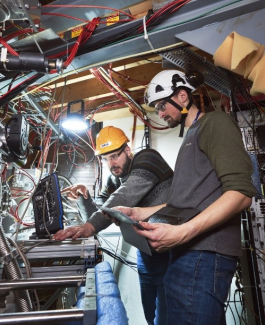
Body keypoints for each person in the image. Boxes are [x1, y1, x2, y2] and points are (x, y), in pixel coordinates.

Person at [116, 69, 256, 324]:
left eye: (161, 106)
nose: (159, 114)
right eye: (156, 109)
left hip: (203, 253)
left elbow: (241, 193)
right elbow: (179, 204)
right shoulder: (191, 137)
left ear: (182, 96)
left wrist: (183, 232)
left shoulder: (215, 123)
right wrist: (137, 213)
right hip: (188, 254)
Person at [54, 126, 174, 325]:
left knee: (166, 319)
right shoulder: (114, 179)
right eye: (106, 158)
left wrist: (90, 226)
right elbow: (100, 209)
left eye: (115, 156)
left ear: (127, 151)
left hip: (169, 251)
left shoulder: (147, 159)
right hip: (146, 254)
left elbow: (123, 196)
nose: (111, 163)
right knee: (150, 316)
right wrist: (84, 198)